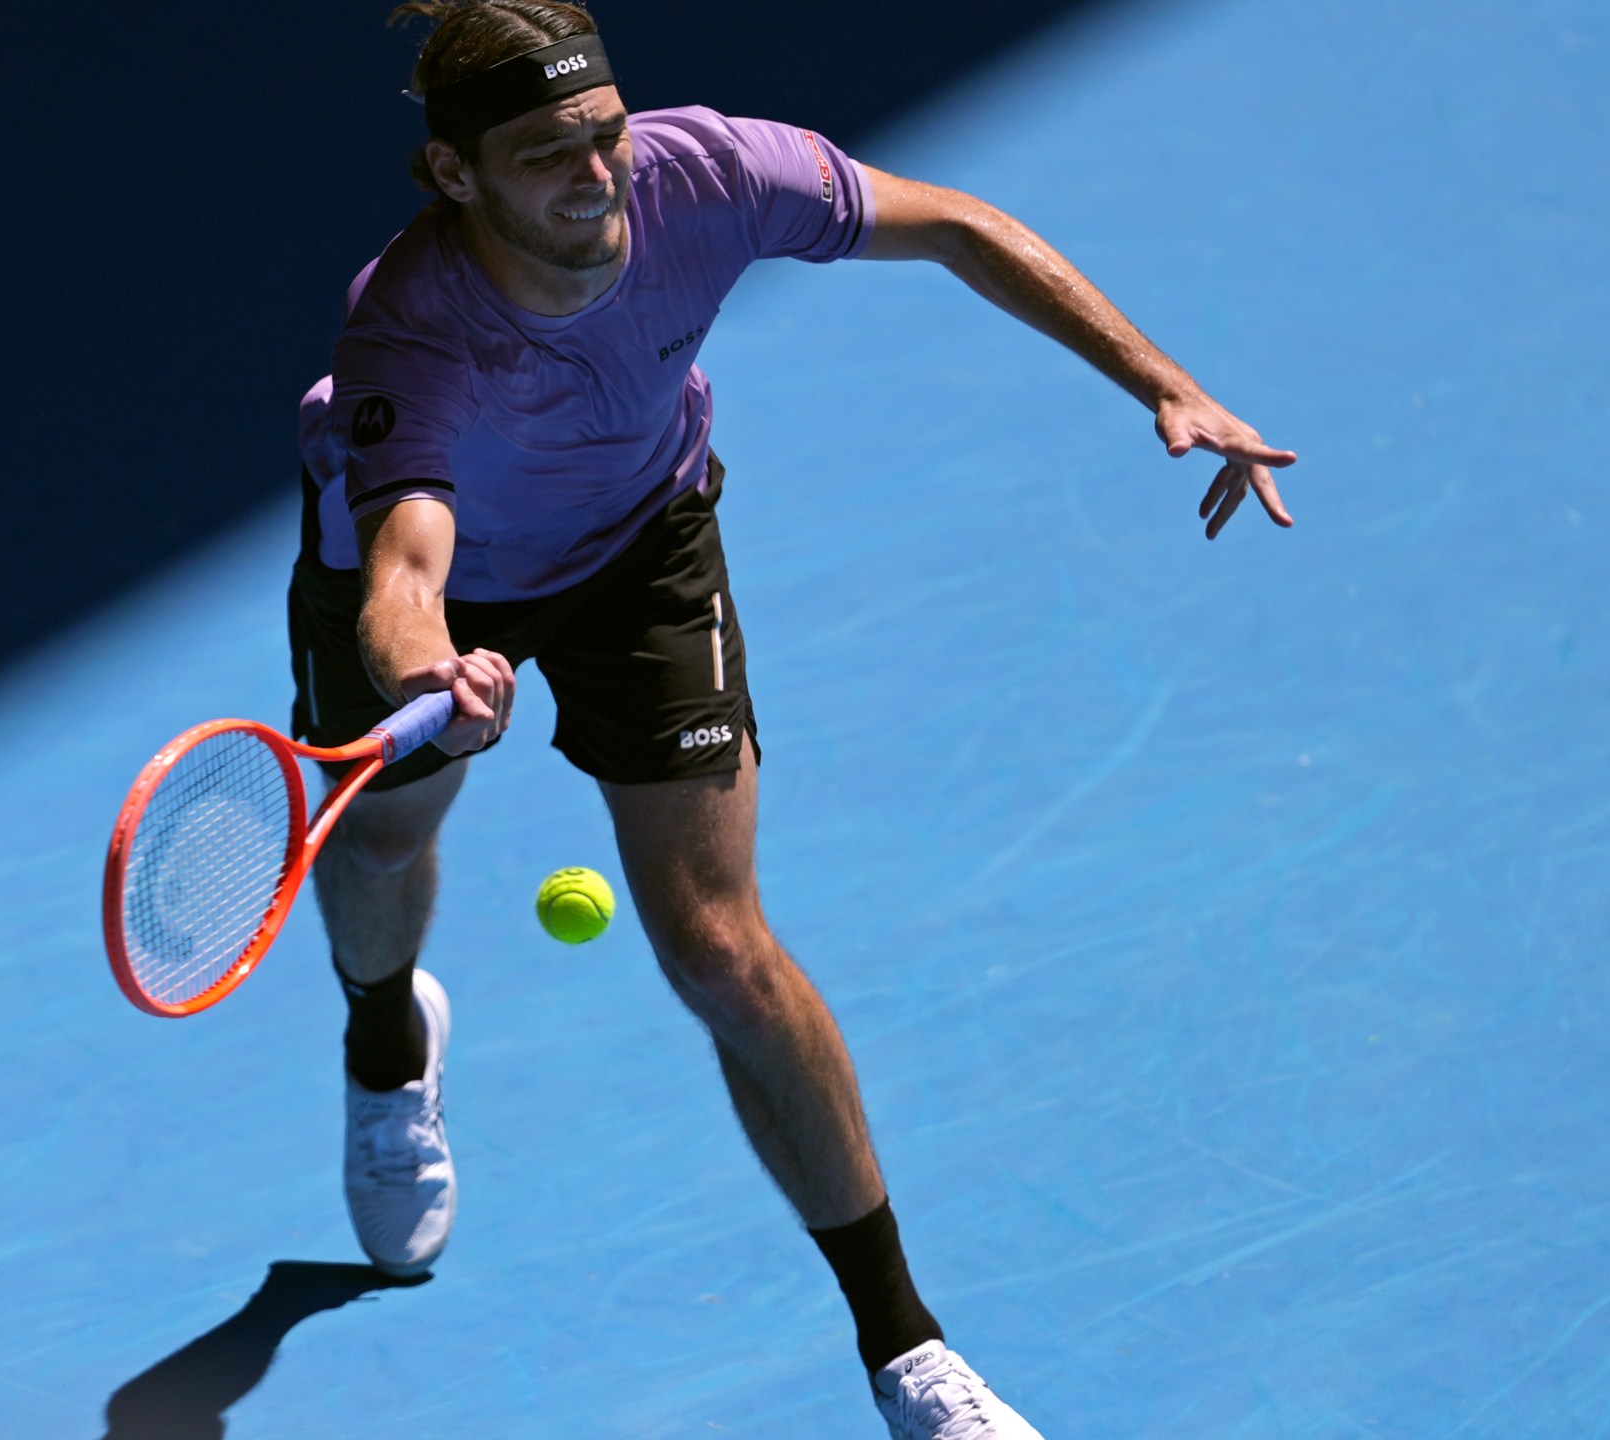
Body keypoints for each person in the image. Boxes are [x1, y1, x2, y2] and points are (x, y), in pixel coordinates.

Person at [289, 3, 1297, 1433]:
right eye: (545, 156)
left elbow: (951, 225)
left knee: (720, 947)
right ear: (453, 177)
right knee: (381, 857)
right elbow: (403, 573)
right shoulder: (410, 332)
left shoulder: (708, 173)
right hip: (433, 592)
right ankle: (387, 1044)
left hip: (643, 541)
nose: (598, 175)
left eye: (604, 130)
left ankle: (910, 1357)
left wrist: (1163, 382)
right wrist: (428, 672)